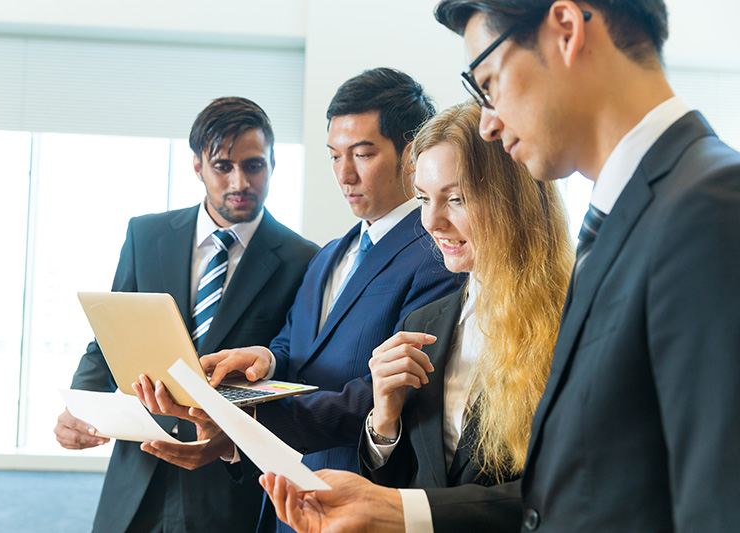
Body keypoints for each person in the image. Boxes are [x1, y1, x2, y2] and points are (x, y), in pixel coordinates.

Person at [265, 0, 740, 531]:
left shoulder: (709, 205)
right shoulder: (630, 221)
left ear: (566, 31)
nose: (490, 120)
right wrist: (387, 460)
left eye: (488, 81)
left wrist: (402, 511)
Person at [137, 67, 465, 532]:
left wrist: (243, 414)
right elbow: (295, 348)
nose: (344, 174)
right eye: (334, 156)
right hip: (288, 500)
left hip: (357, 498)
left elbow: (390, 394)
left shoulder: (437, 256)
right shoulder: (330, 253)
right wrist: (264, 360)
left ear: (411, 154)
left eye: (363, 154)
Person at [260, 100, 573, 533]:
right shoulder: (425, 324)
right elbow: (408, 477)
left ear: (512, 198)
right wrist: (383, 422)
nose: (432, 221)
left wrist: (401, 511)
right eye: (424, 198)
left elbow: (570, 492)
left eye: (456, 199)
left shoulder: (574, 321)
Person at [53, 96, 319, 533]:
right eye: (222, 166)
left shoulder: (303, 259)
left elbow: (291, 362)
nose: (240, 181)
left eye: (254, 166)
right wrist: (83, 407)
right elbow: (107, 336)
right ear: (197, 165)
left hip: (229, 481)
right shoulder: (146, 234)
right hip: (138, 465)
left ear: (273, 163)